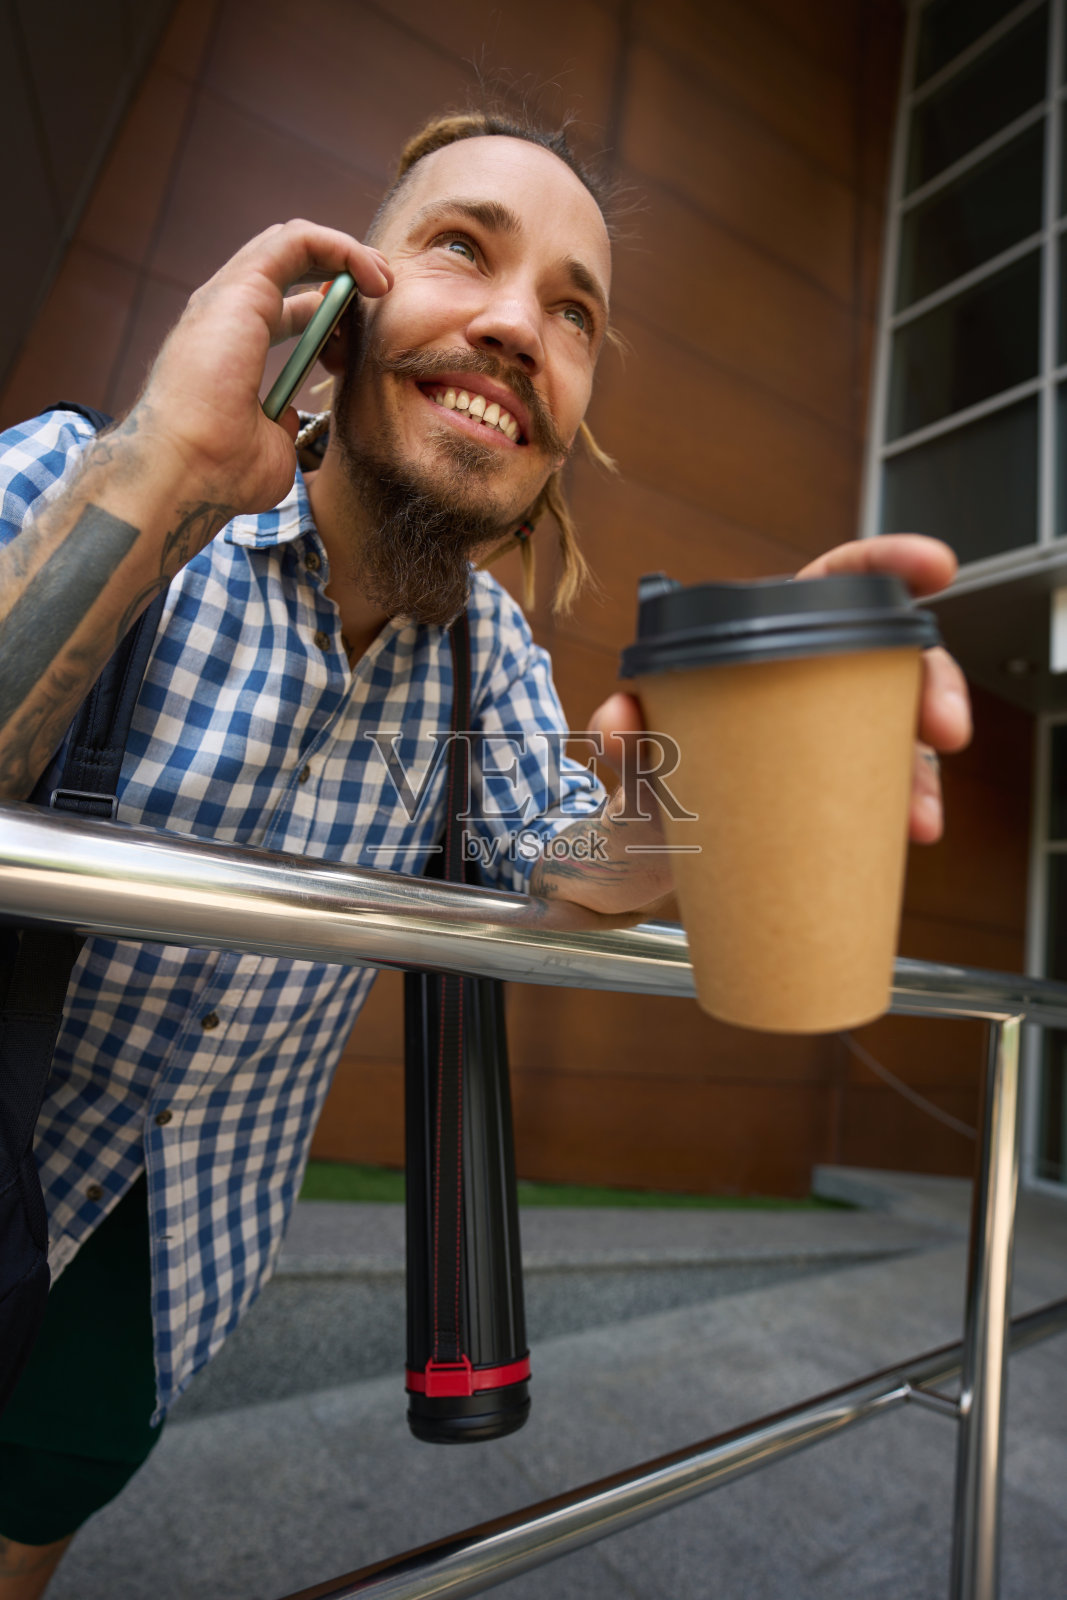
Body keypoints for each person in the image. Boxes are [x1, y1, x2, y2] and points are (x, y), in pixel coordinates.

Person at [0, 109, 972, 1596]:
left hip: (166, 1267)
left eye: (575, 311)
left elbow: (567, 870)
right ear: (337, 294)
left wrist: (736, 772)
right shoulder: (85, 480)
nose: (521, 324)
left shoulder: (495, 670)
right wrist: (168, 474)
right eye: (464, 247)